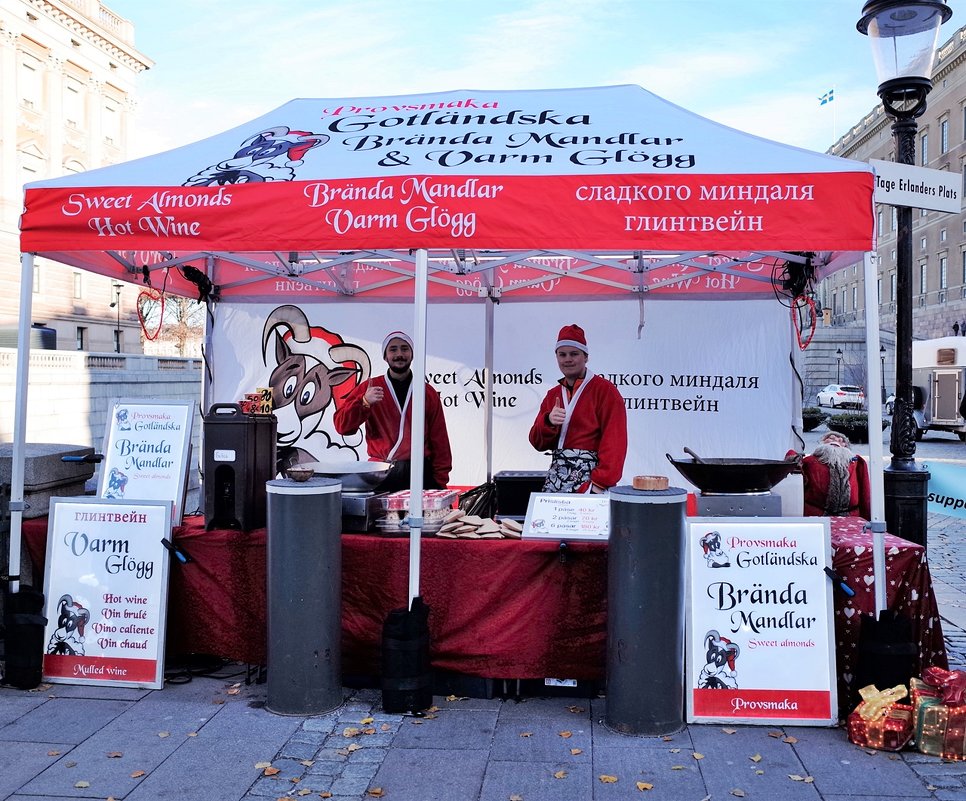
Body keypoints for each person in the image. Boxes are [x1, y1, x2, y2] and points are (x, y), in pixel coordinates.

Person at [334, 331, 452, 492]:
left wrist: (440, 482)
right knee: (381, 517)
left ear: (412, 354)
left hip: (419, 472)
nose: (399, 354)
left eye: (405, 349)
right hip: (381, 472)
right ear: (385, 356)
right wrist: (364, 402)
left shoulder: (427, 392)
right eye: (393, 350)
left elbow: (440, 440)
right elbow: (342, 426)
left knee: (424, 517)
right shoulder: (370, 388)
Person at [529, 324, 627, 493]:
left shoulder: (605, 391)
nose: (568, 359)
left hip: (591, 481)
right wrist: (548, 421)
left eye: (574, 354)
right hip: (556, 477)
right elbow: (537, 442)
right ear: (556, 357)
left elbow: (615, 441)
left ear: (586, 357)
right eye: (562, 354)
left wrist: (599, 484)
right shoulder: (553, 395)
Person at [797, 431, 872, 519]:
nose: (836, 440)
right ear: (822, 444)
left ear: (845, 446)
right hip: (817, 516)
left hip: (850, 518)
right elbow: (794, 468)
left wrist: (867, 518)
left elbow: (865, 493)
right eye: (830, 439)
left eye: (841, 440)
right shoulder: (809, 461)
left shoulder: (857, 462)